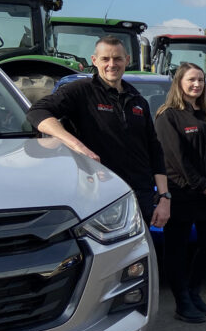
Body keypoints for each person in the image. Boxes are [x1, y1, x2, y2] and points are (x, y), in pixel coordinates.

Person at [27, 35, 170, 227]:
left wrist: (164, 198)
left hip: (140, 195)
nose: (112, 64)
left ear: (127, 60)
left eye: (118, 58)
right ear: (94, 61)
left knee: (140, 253)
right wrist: (78, 146)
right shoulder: (80, 91)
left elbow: (154, 150)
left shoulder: (137, 100)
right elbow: (37, 112)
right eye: (105, 59)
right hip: (100, 195)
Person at [154, 63, 206, 323]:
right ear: (179, 83)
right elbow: (176, 159)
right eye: (191, 80)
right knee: (176, 248)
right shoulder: (168, 116)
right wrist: (203, 185)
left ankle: (195, 291)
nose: (197, 84)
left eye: (200, 80)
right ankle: (182, 302)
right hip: (183, 193)